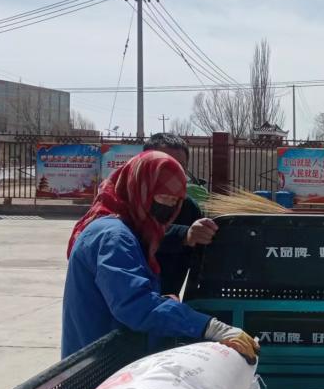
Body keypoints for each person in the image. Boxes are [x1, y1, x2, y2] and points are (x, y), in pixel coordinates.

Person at [61, 150, 259, 362]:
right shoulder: (114, 237)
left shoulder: (128, 229)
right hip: (100, 366)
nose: (168, 207)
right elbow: (136, 306)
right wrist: (210, 327)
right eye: (162, 197)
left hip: (108, 357)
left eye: (174, 201)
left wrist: (164, 303)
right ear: (138, 188)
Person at [142, 133, 219, 296]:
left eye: (179, 166)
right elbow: (136, 233)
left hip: (168, 302)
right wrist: (184, 235)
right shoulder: (124, 202)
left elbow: (199, 261)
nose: (173, 172)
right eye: (164, 165)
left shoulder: (188, 207)